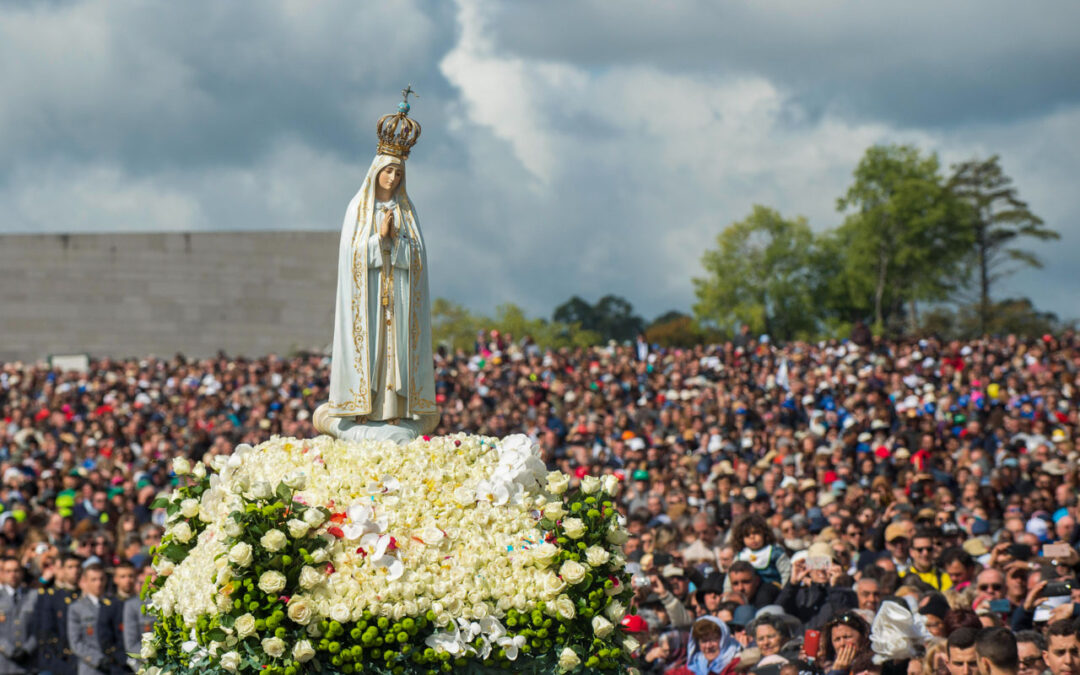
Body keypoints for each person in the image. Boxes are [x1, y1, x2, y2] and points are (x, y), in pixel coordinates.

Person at [318, 90, 437, 439]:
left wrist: (396, 243)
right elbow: (350, 254)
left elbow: (418, 257)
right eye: (388, 171)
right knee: (369, 349)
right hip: (369, 296)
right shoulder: (359, 209)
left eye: (398, 173)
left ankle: (395, 409)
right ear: (376, 172)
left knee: (395, 351)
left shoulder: (406, 211)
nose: (392, 178)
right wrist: (378, 240)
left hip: (397, 296)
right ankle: (362, 406)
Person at [666, 616, 742, 675]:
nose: (708, 646)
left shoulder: (736, 664)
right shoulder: (697, 663)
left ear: (724, 640)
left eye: (713, 640)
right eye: (704, 641)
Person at [68, 564, 108, 675]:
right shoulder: (77, 608)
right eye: (93, 580)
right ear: (85, 581)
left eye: (101, 579)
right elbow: (76, 642)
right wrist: (97, 659)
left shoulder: (112, 604)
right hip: (91, 668)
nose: (98, 583)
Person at [732, 514, 791, 587]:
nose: (752, 538)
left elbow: (786, 573)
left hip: (772, 589)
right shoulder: (741, 556)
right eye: (747, 535)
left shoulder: (775, 553)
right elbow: (731, 576)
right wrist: (727, 592)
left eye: (756, 533)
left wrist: (785, 590)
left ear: (764, 534)